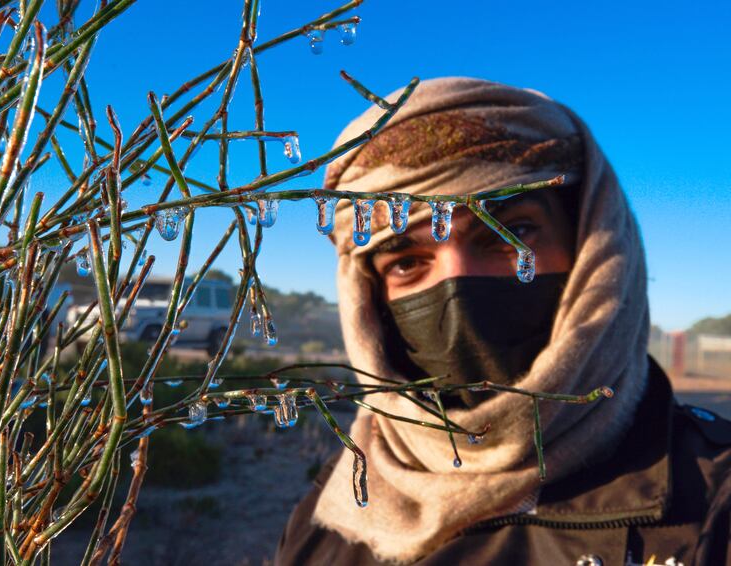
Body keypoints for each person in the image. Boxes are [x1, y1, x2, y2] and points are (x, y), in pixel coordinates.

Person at [274, 77, 731, 566]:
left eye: (512, 233)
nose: (458, 286)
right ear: (368, 300)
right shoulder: (334, 513)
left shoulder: (714, 506)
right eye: (406, 262)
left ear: (594, 247)